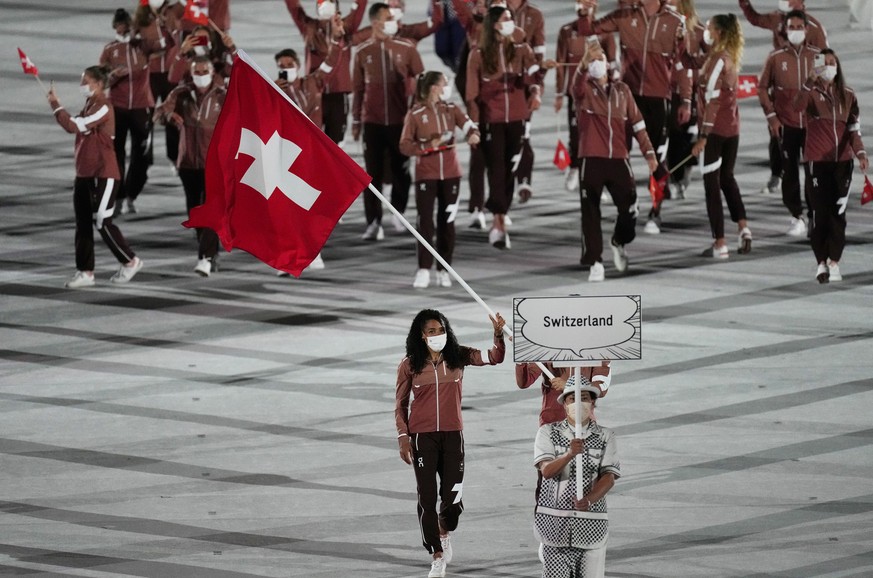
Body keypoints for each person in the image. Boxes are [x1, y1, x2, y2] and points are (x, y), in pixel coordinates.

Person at [395, 309, 506, 578]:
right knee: (427, 496)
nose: (437, 335)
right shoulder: (409, 365)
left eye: (441, 330)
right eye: (431, 331)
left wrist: (498, 334)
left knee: (452, 500)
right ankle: (436, 554)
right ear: (421, 336)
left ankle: (445, 530)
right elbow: (400, 404)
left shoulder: (459, 355)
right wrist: (403, 437)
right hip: (423, 438)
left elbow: (493, 358)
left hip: (453, 435)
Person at [577, 0, 691, 235]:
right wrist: (584, 13)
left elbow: (683, 65)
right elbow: (588, 31)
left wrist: (686, 100)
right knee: (620, 154)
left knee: (657, 159)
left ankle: (655, 212)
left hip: (659, 100)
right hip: (627, 97)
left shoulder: (675, 22)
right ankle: (628, 203)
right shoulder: (625, 15)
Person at [47, 66, 144, 289]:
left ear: (99, 84)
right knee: (83, 224)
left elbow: (73, 126)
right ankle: (85, 272)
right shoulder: (90, 105)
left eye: (87, 81)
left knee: (102, 221)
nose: (83, 85)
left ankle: (130, 261)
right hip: (84, 173)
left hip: (104, 173)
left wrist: (55, 104)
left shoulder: (104, 106)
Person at [571, 40, 658, 282]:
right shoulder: (584, 90)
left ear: (608, 64)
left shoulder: (623, 91)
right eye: (592, 60)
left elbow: (638, 124)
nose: (595, 63)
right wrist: (583, 61)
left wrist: (649, 154)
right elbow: (575, 85)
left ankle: (619, 240)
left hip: (619, 159)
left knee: (630, 209)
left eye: (599, 58)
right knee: (590, 212)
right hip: (592, 159)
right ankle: (595, 262)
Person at [466, 6, 543, 249]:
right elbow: (472, 95)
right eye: (507, 18)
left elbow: (534, 76)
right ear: (494, 25)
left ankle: (500, 213)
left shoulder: (520, 48)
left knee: (510, 167)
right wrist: (474, 127)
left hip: (518, 118)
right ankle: (499, 224)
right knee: (496, 169)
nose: (512, 22)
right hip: (492, 120)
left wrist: (536, 91)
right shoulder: (478, 55)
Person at [792, 49, 868, 283]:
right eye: (823, 63)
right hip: (817, 162)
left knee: (838, 213)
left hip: (842, 163)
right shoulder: (812, 94)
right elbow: (797, 107)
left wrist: (861, 153)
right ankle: (820, 262)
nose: (828, 67)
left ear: (838, 66)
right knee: (819, 213)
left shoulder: (848, 95)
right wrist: (808, 82)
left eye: (832, 63)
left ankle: (834, 261)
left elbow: (854, 130)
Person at [737, 0, 828, 195]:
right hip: (781, 92)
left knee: (807, 143)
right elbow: (756, 20)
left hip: (804, 96)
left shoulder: (814, 28)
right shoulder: (778, 18)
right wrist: (745, 5)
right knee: (776, 134)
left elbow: (825, 63)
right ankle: (777, 174)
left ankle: (814, 187)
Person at [534, 374, 620, 578]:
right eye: (573, 398)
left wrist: (589, 500)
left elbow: (609, 477)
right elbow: (546, 471)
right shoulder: (547, 432)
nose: (579, 403)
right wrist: (569, 455)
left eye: (585, 398)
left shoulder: (606, 436)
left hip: (592, 529)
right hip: (554, 529)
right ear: (564, 404)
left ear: (593, 403)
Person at [399, 72, 480, 289]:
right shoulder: (415, 114)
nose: (447, 87)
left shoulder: (451, 109)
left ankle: (444, 268)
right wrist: (427, 147)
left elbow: (469, 125)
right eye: (444, 84)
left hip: (452, 174)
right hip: (426, 174)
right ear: (433, 87)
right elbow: (405, 146)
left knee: (448, 222)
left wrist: (473, 133)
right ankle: (424, 269)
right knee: (426, 222)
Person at [352, 2, 424, 241]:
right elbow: (358, 90)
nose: (394, 20)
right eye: (388, 17)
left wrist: (417, 113)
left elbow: (422, 81)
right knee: (371, 175)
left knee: (402, 170)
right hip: (372, 123)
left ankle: (399, 212)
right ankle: (373, 222)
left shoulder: (407, 48)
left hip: (399, 122)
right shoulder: (362, 52)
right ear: (375, 23)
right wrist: (355, 121)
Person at [154, 57, 225, 276]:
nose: (201, 75)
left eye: (205, 71)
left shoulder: (223, 95)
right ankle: (209, 252)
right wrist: (168, 115)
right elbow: (158, 114)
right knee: (195, 212)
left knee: (211, 210)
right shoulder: (180, 93)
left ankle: (205, 258)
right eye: (197, 71)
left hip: (215, 162)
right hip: (187, 162)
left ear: (212, 72)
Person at [691, 14, 753, 260]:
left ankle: (720, 243)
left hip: (715, 132)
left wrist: (703, 136)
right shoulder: (724, 57)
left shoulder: (719, 60)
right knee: (727, 178)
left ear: (718, 32)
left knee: (712, 186)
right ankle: (744, 229)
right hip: (732, 129)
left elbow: (713, 100)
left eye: (709, 28)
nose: (706, 31)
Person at [758, 10, 820, 237]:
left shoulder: (818, 56)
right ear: (785, 29)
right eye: (791, 27)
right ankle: (796, 215)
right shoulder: (775, 58)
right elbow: (762, 88)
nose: (795, 31)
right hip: (787, 124)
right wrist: (771, 116)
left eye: (799, 27)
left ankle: (815, 215)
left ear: (806, 29)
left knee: (814, 172)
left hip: (813, 126)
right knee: (790, 171)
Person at [554, 2, 617, 193]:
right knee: (576, 133)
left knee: (599, 134)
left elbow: (613, 64)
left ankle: (599, 179)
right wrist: (558, 94)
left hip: (599, 94)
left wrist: (613, 91)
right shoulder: (566, 31)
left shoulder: (604, 32)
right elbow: (560, 65)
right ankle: (574, 167)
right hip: (577, 93)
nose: (583, 5)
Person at [284, 0, 367, 144]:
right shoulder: (309, 27)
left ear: (337, 7)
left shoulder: (345, 26)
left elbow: (359, 8)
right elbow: (294, 9)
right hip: (314, 94)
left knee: (336, 144)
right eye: (321, 1)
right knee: (310, 141)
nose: (324, 4)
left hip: (338, 94)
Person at [99, 8, 157, 216]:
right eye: (120, 25)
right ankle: (120, 196)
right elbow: (100, 80)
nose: (124, 28)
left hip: (142, 107)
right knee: (116, 154)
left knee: (142, 154)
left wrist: (145, 27)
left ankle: (132, 194)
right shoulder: (109, 50)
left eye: (127, 24)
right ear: (115, 27)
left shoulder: (141, 46)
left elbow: (163, 45)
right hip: (118, 108)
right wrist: (113, 76)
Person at [665, 0, 705, 200]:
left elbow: (714, 55)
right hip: (670, 92)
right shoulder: (664, 26)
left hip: (694, 93)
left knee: (690, 137)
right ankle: (673, 177)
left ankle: (685, 174)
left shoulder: (698, 31)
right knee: (673, 137)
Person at [516, 362, 611, 427]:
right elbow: (524, 382)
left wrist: (569, 385)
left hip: (583, 423)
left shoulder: (597, 348)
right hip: (551, 423)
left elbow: (601, 387)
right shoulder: (546, 342)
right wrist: (520, 360)